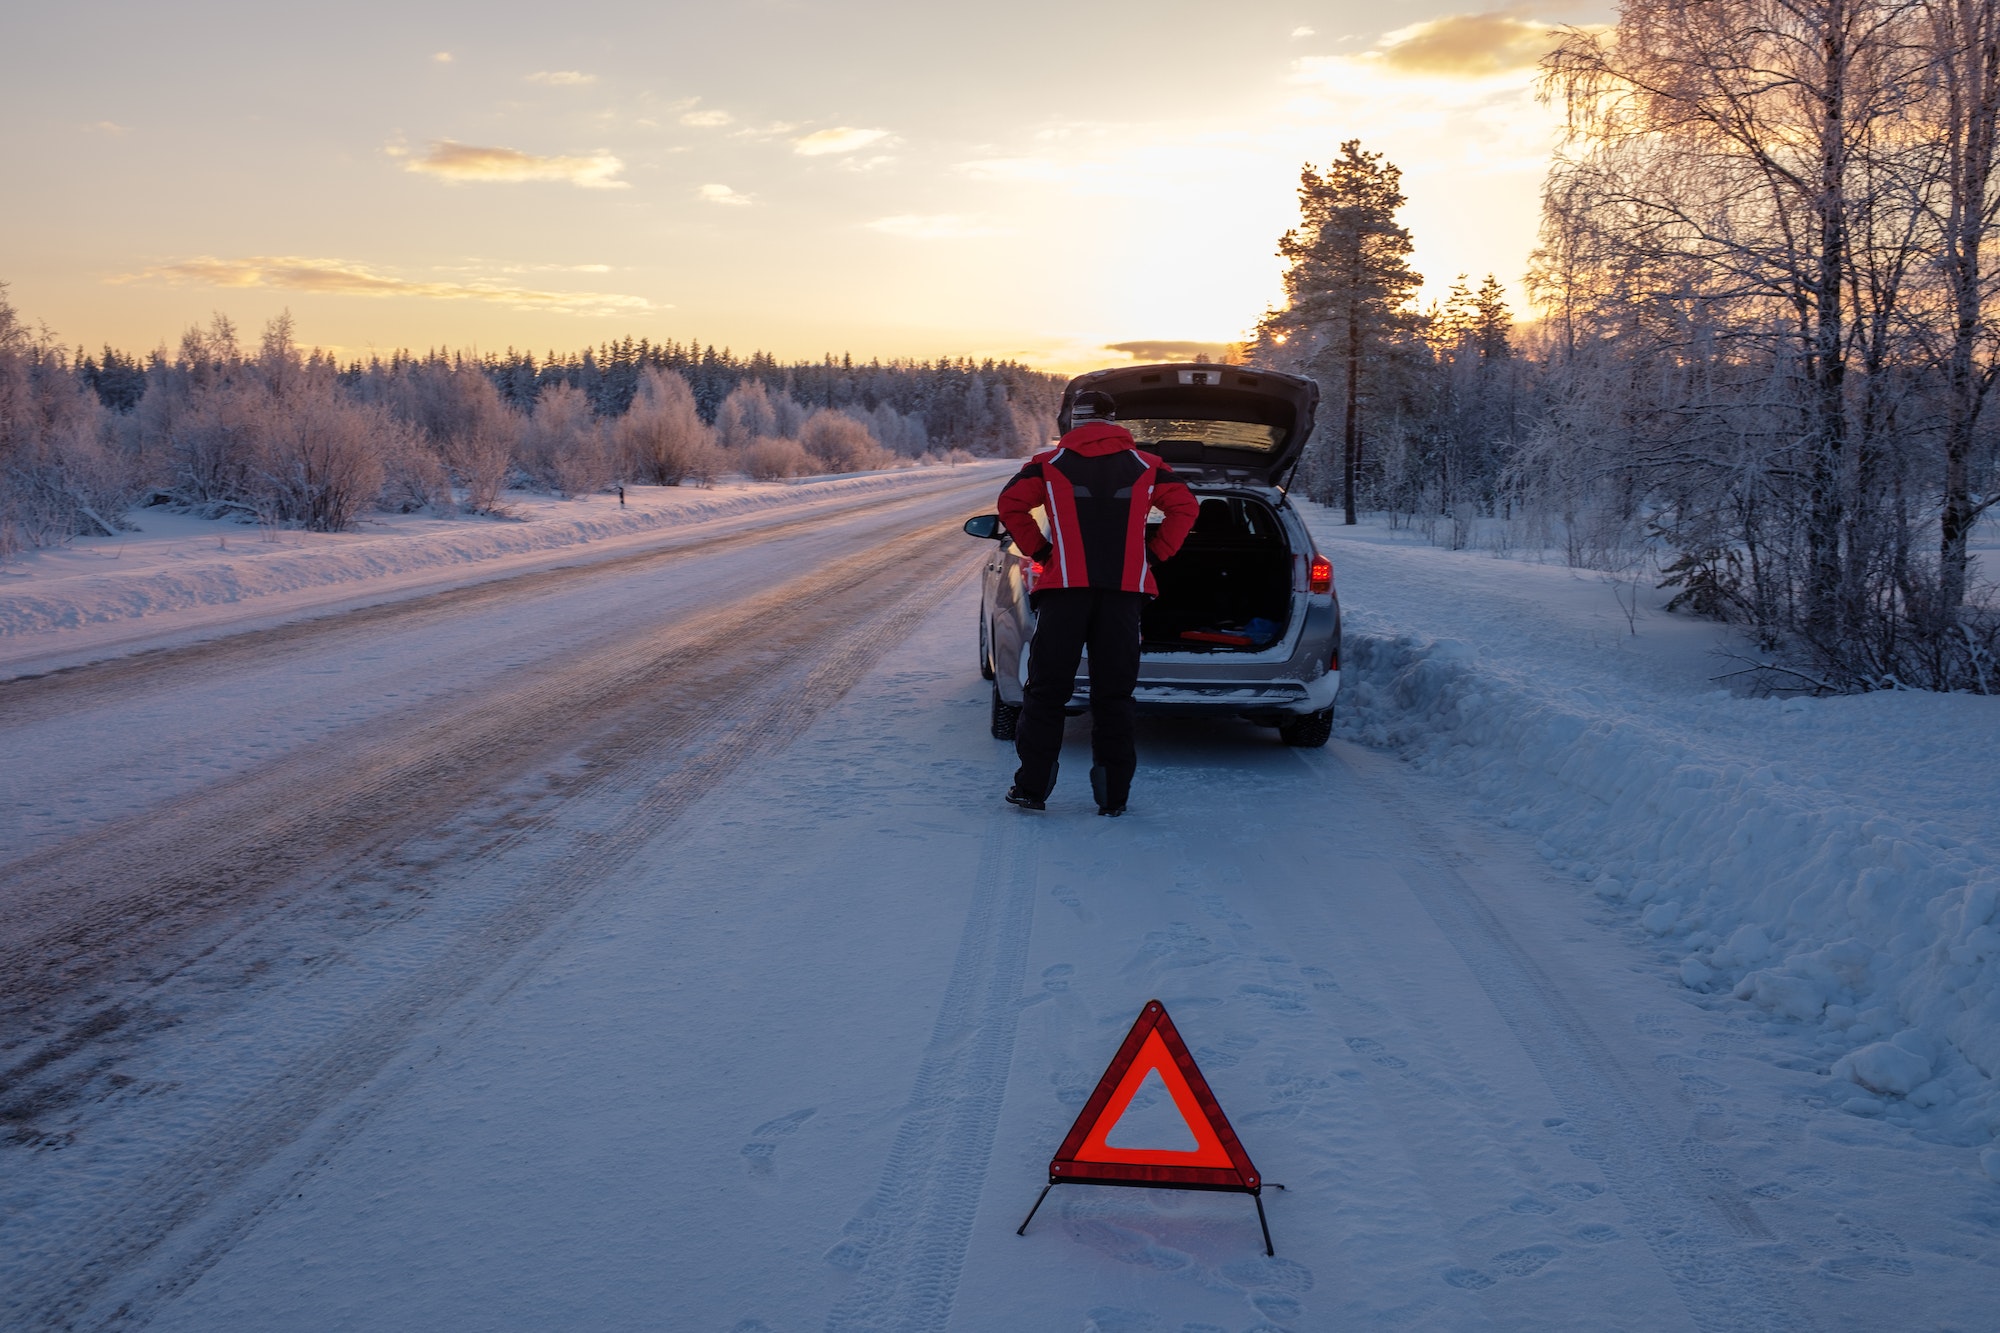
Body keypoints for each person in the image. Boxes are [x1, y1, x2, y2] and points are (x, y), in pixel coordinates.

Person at [995, 389, 1198, 815]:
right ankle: (1113, 798)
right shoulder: (1148, 466)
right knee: (1114, 697)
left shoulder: (1048, 466)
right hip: (1123, 598)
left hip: (1065, 595)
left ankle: (1031, 790)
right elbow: (1186, 507)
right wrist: (1155, 554)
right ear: (1113, 420)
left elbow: (1010, 505)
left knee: (1047, 693)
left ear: (1072, 421)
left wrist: (1043, 552)